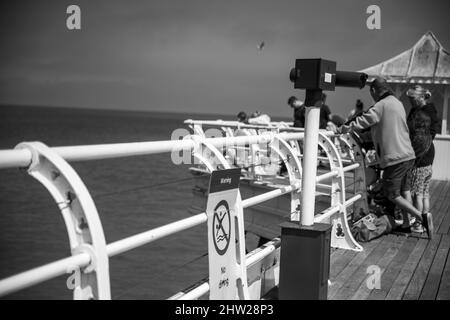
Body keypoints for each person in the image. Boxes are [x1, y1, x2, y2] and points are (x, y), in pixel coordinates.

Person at [338, 77, 433, 238]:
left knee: (391, 194)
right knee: (403, 192)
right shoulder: (397, 103)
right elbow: (385, 128)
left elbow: (366, 119)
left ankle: (421, 216)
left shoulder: (381, 105)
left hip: (395, 157)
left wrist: (345, 128)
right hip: (408, 154)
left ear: (374, 91)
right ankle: (405, 225)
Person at [406, 85, 440, 232]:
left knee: (417, 193)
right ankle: (426, 219)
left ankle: (418, 223)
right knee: (425, 192)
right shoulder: (419, 110)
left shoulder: (426, 111)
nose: (410, 102)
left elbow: (428, 133)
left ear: (420, 97)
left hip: (421, 156)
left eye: (412, 99)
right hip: (428, 156)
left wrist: (416, 150)